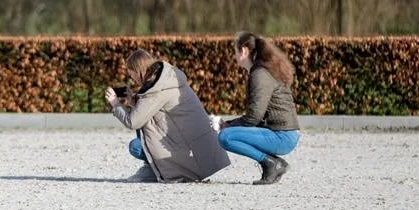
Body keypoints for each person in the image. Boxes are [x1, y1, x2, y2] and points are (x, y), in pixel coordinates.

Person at [106, 49, 230, 183]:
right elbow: (156, 109)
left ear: (138, 71)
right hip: (199, 147)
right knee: (142, 135)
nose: (132, 78)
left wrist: (115, 104)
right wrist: (134, 102)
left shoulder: (155, 91)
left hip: (191, 155)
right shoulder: (166, 79)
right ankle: (154, 168)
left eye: (131, 74)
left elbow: (133, 122)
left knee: (135, 146)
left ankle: (153, 169)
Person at [218, 31, 301, 184]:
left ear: (244, 51)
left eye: (235, 51)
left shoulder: (260, 74)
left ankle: (271, 164)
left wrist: (228, 126)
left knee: (225, 137)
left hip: (282, 137)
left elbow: (254, 117)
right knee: (227, 132)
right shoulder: (262, 71)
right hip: (283, 133)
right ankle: (272, 165)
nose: (234, 56)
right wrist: (230, 124)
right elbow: (256, 116)